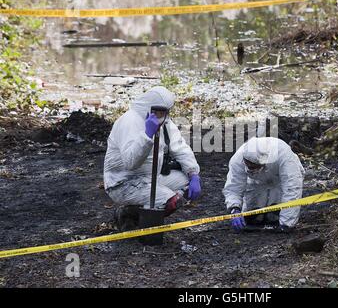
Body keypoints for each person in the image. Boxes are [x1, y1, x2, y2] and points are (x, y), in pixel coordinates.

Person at [103, 86, 201, 230]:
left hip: (149, 177)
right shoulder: (129, 122)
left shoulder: (163, 121)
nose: (165, 115)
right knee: (170, 202)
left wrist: (193, 173)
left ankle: (138, 212)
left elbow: (180, 147)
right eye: (162, 111)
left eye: (167, 111)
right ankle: (129, 216)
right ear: (150, 107)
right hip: (123, 182)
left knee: (186, 182)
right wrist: (147, 135)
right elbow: (130, 162)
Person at [222, 137, 305, 232]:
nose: (250, 168)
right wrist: (234, 208)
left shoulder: (284, 155)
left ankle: (278, 214)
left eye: (254, 166)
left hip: (279, 181)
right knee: (253, 218)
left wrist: (287, 223)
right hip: (257, 182)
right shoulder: (238, 158)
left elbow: (292, 188)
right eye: (248, 165)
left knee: (274, 217)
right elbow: (234, 186)